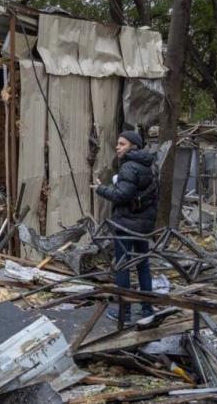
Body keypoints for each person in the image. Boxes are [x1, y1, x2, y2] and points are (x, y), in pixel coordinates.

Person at [95, 130, 157, 321]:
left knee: (123, 266)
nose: (117, 147)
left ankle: (125, 312)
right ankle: (147, 310)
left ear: (133, 146)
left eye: (122, 144)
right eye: (118, 143)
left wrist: (101, 189)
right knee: (143, 266)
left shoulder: (129, 167)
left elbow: (122, 195)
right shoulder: (148, 165)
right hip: (143, 224)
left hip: (127, 223)